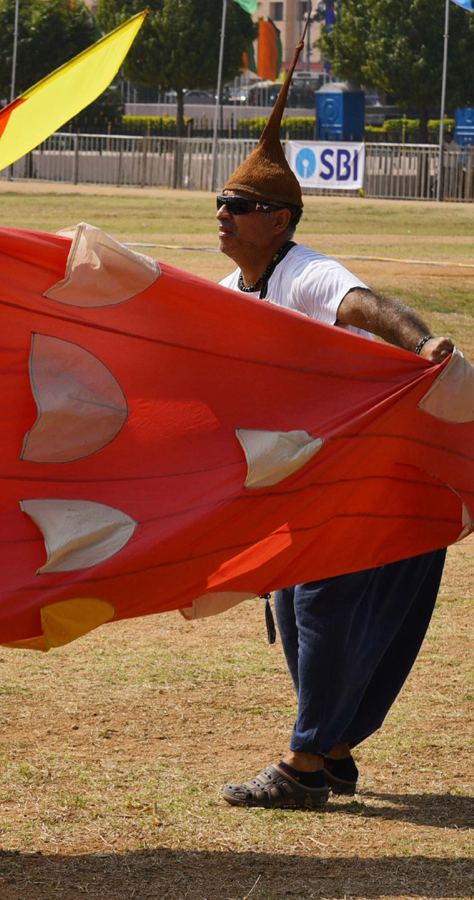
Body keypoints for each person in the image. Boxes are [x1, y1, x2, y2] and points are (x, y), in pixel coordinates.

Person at [216, 35, 455, 810]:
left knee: (322, 605)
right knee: (295, 609)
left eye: (240, 207)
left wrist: (423, 343)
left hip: (379, 466)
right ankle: (334, 748)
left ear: (280, 220)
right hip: (311, 476)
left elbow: (366, 306)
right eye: (219, 203)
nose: (223, 215)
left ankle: (303, 766)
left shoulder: (308, 273)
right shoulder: (233, 286)